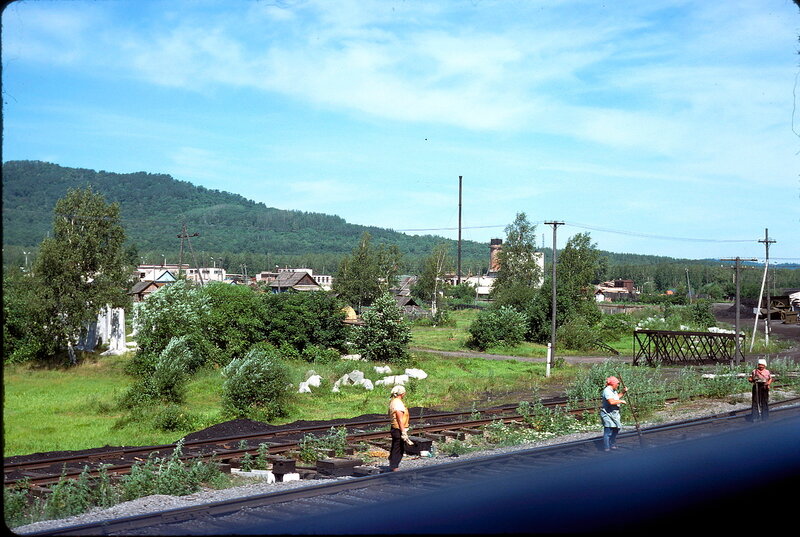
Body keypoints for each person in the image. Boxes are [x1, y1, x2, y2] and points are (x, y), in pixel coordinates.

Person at [388, 384, 413, 471]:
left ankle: (392, 463)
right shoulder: (398, 403)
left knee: (395, 446)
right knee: (398, 448)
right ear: (402, 394)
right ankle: (394, 467)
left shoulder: (393, 401)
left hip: (395, 428)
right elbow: (400, 419)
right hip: (398, 429)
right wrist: (403, 432)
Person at [600, 376, 627, 452]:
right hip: (607, 414)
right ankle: (607, 447)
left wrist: (623, 392)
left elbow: (616, 397)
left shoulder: (613, 390)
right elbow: (611, 402)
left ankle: (612, 444)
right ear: (613, 384)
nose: (618, 385)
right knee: (608, 431)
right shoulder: (607, 391)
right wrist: (621, 401)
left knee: (616, 429)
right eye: (617, 384)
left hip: (614, 414)